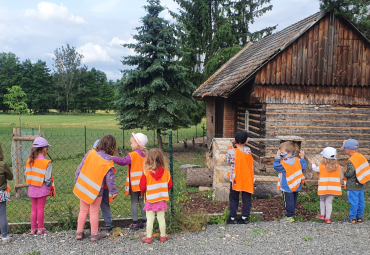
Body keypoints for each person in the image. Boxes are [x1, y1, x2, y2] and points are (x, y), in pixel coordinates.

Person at [74, 134, 118, 241]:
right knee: (94, 211)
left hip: (83, 186)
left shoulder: (90, 153)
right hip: (96, 190)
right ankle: (94, 234)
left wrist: (77, 181)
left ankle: (79, 232)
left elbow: (79, 169)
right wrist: (113, 191)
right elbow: (110, 179)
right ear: (112, 147)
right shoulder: (108, 161)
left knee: (83, 210)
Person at [112, 133, 148, 230]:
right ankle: (145, 221)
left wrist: (112, 157)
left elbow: (123, 162)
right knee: (142, 202)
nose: (130, 145)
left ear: (138, 144)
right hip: (144, 185)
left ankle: (135, 222)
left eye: (132, 143)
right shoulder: (146, 155)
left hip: (134, 185)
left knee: (134, 202)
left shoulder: (132, 155)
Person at [139, 148, 172, 244]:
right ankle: (163, 236)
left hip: (150, 199)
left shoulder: (146, 173)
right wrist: (163, 191)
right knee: (161, 218)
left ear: (148, 160)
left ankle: (148, 237)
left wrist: (143, 192)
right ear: (162, 160)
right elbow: (169, 184)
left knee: (150, 219)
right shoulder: (166, 173)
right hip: (161, 198)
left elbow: (142, 187)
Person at [26, 137, 55, 235]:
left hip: (32, 188)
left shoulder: (29, 160)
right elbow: (47, 179)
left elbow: (27, 174)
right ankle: (40, 229)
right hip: (42, 188)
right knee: (40, 208)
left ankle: (33, 229)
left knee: (34, 208)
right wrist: (49, 186)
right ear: (44, 150)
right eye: (47, 149)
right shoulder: (47, 162)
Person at [274, 141, 306, 223]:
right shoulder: (297, 160)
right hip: (296, 185)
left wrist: (277, 159)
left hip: (287, 187)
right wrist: (302, 158)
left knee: (288, 202)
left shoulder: (284, 164)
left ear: (290, 153)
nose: (280, 154)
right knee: (293, 201)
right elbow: (303, 166)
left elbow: (276, 167)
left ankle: (289, 216)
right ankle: (292, 214)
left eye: (282, 153)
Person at [226, 131, 254, 224]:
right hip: (246, 178)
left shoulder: (231, 152)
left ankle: (232, 217)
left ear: (234, 140)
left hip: (235, 179)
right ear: (247, 141)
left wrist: (229, 149)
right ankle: (244, 217)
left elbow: (229, 162)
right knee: (246, 198)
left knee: (234, 197)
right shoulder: (248, 150)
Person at [310, 147, 341, 224]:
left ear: (324, 157)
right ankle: (328, 218)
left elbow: (314, 169)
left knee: (322, 200)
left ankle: (322, 215)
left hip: (323, 187)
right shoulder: (338, 167)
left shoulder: (321, 166)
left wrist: (313, 163)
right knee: (329, 202)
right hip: (333, 188)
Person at [342, 139, 370, 223]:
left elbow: (350, 173)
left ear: (348, 149)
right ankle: (360, 217)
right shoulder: (361, 157)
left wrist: (344, 173)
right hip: (360, 184)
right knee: (361, 201)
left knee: (353, 202)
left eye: (345, 148)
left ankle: (352, 218)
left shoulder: (351, 161)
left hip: (352, 185)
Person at [0, 142, 13, 244]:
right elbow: (10, 177)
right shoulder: (3, 164)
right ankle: (4, 237)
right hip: (1, 192)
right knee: (2, 215)